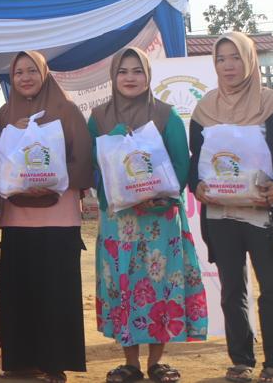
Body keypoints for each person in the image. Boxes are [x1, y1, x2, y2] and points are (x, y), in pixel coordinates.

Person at [89, 47, 207, 383]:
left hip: (160, 220)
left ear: (148, 75)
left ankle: (156, 362)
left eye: (137, 71)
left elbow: (181, 162)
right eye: (123, 71)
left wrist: (164, 195)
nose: (130, 78)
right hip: (119, 222)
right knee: (124, 286)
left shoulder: (166, 115)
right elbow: (92, 164)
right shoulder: (98, 118)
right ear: (113, 76)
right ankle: (131, 363)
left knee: (160, 287)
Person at [187, 31, 273, 383]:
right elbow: (195, 159)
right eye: (221, 59)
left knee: (272, 288)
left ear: (249, 60)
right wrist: (197, 185)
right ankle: (241, 360)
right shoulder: (205, 108)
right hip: (221, 216)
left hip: (263, 214)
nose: (228, 66)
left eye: (235, 57)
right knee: (232, 289)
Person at [0, 50, 94, 383]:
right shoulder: (4, 115)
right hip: (17, 218)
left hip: (59, 216)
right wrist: (11, 133)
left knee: (56, 292)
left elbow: (82, 156)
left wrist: (55, 183)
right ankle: (22, 360)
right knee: (20, 291)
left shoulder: (66, 110)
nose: (25, 78)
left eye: (31, 71)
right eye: (18, 72)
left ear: (44, 73)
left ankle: (55, 362)